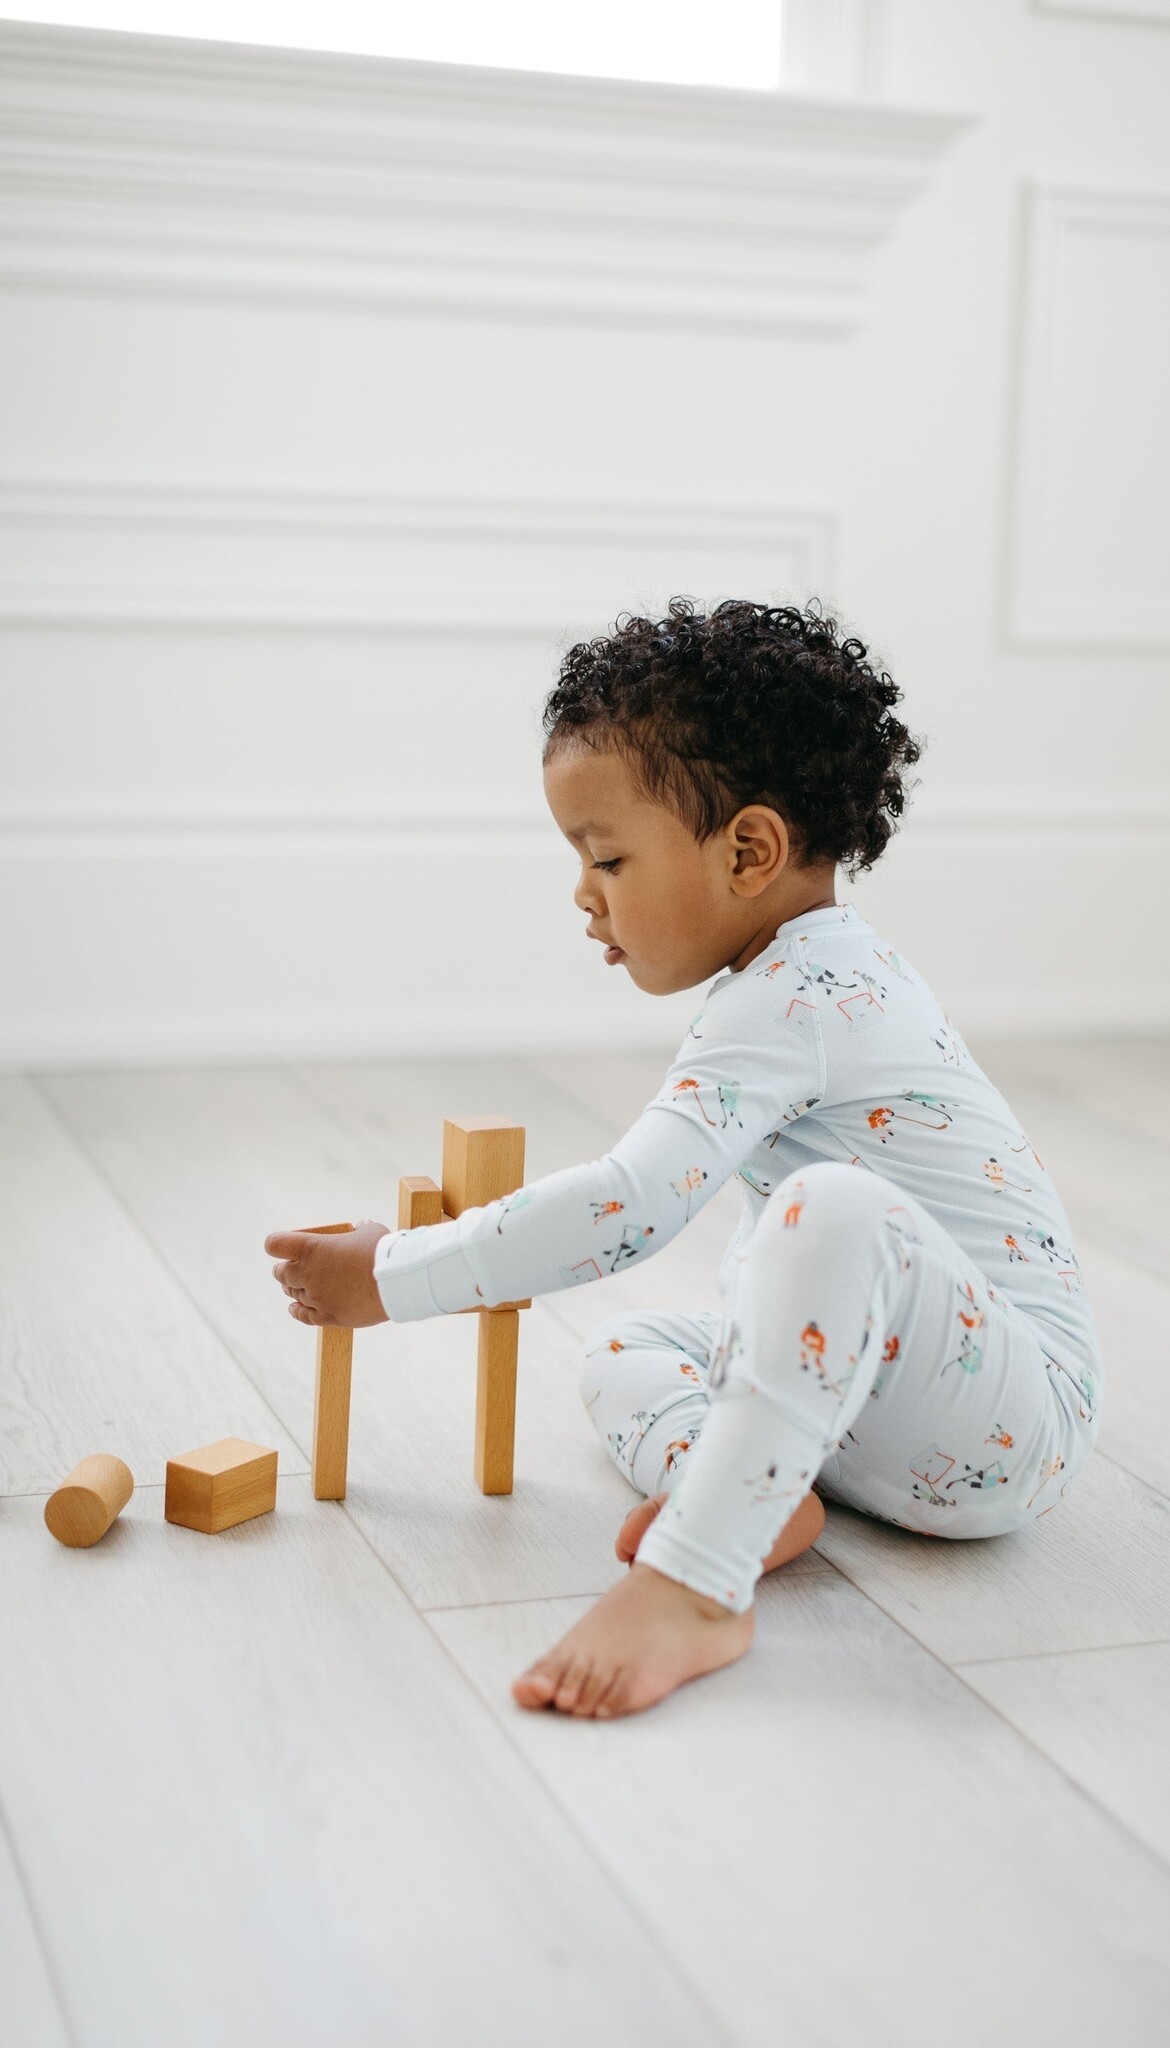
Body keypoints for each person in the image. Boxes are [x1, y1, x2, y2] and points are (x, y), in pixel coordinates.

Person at [264, 599, 1102, 1720]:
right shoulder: (792, 978)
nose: (582, 889)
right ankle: (758, 1492)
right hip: (889, 1404)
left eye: (606, 855)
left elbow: (628, 1203)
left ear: (747, 849)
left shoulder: (801, 992)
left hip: (1007, 1416)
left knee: (828, 1210)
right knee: (628, 1350)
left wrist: (394, 1271)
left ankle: (698, 1579)